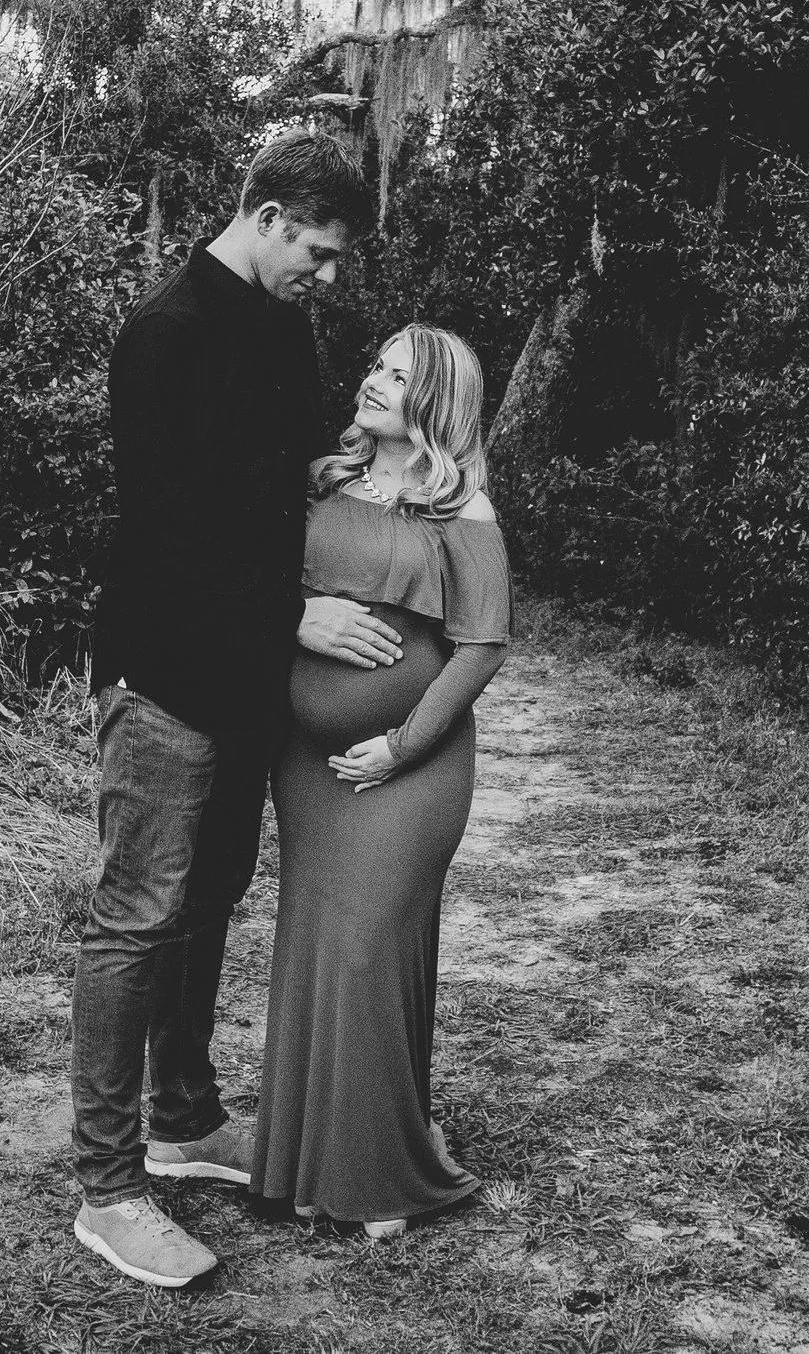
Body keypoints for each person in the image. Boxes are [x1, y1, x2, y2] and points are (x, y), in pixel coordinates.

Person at [71, 134, 404, 1289]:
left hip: (241, 678)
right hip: (164, 672)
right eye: (315, 252)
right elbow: (169, 533)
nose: (326, 277)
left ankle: (184, 1117)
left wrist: (318, 468)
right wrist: (294, 615)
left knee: (208, 899)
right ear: (265, 215)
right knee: (138, 914)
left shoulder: (282, 325)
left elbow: (250, 486)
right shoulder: (164, 335)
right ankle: (112, 1188)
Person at [250, 323, 511, 1236]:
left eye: (397, 376)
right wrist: (293, 617)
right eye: (375, 366)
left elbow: (482, 647)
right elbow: (255, 581)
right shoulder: (321, 482)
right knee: (317, 945)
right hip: (308, 765)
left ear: (434, 400)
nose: (373, 381)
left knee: (368, 948)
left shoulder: (461, 510)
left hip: (411, 769)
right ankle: (312, 1163)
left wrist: (401, 744)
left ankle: (377, 1168)